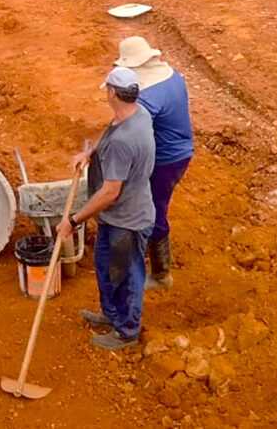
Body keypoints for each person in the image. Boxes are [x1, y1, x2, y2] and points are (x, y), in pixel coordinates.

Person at [57, 67, 155, 351]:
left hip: (128, 220)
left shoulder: (125, 142)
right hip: (117, 216)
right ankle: (111, 315)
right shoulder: (137, 113)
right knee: (106, 268)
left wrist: (73, 221)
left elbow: (111, 192)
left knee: (125, 276)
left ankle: (127, 332)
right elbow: (111, 129)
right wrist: (90, 154)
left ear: (113, 92)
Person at [114, 36, 194, 291]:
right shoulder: (173, 76)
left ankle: (161, 275)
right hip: (181, 151)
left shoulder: (148, 98)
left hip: (165, 159)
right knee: (156, 206)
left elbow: (132, 133)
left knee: (153, 211)